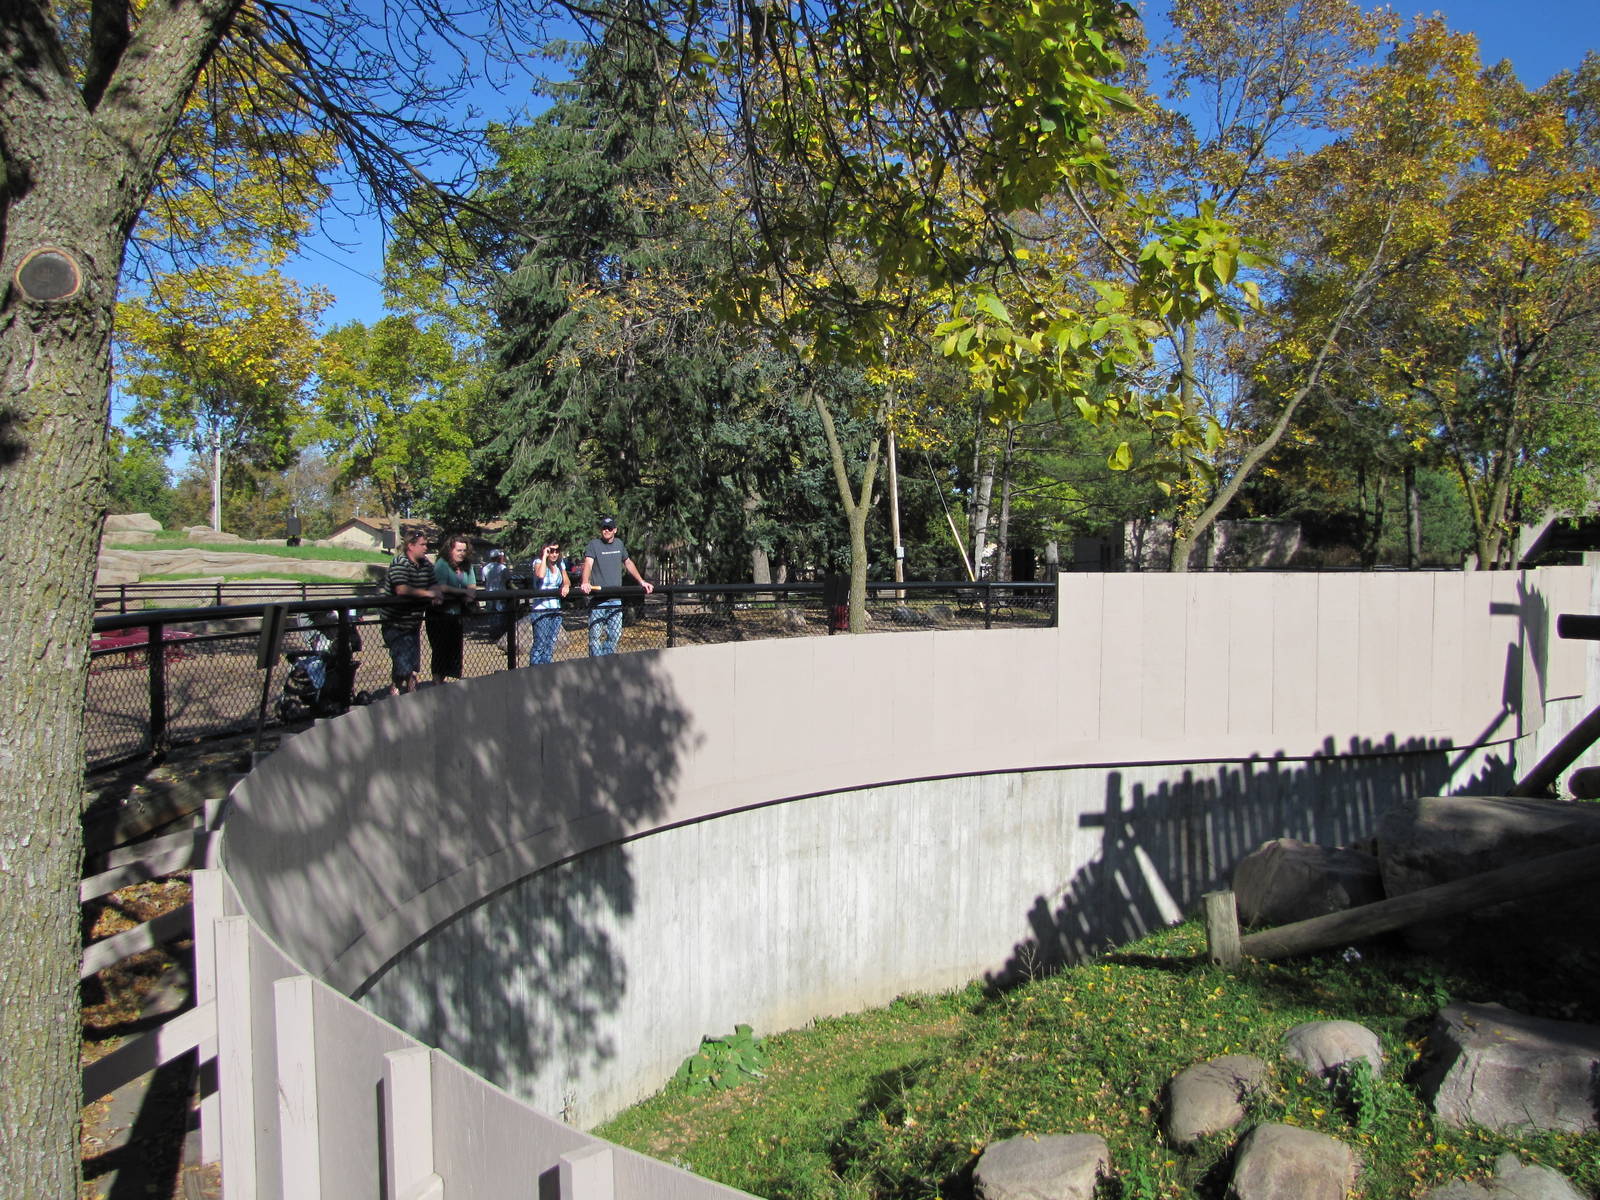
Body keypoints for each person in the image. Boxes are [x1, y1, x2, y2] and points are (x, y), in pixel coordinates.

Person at [580, 516, 653, 656]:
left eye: (609, 528)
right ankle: (596, 663)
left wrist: (641, 581)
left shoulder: (619, 544)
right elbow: (588, 564)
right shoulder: (593, 545)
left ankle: (607, 661)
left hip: (615, 599)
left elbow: (628, 563)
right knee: (594, 636)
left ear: (615, 530)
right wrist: (585, 581)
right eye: (604, 528)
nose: (606, 530)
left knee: (615, 634)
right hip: (598, 600)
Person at [380, 530, 440, 695]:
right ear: (411, 546)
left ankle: (397, 687)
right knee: (403, 659)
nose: (426, 548)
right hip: (395, 621)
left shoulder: (426, 564)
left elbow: (434, 582)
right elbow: (402, 589)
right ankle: (408, 690)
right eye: (422, 544)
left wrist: (435, 593)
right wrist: (428, 594)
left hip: (413, 621)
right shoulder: (400, 562)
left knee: (409, 659)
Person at [426, 533, 478, 684]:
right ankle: (437, 682)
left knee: (453, 650)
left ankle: (445, 680)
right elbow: (440, 586)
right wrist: (463, 592)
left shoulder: (467, 565)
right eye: (458, 550)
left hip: (456, 614)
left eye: (464, 550)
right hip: (439, 614)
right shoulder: (442, 564)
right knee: (440, 650)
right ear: (450, 550)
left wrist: (469, 595)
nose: (462, 553)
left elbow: (472, 584)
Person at [527, 537, 570, 665]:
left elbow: (566, 580)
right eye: (551, 551)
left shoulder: (560, 564)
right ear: (546, 550)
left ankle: (546, 669)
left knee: (550, 644)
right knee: (540, 643)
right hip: (541, 609)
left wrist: (566, 585)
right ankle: (535, 669)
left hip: (555, 609)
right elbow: (540, 575)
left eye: (557, 551)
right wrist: (545, 557)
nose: (554, 554)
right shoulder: (538, 562)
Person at [481, 548, 510, 613]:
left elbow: (484, 581)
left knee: (490, 611)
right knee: (501, 612)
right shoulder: (503, 568)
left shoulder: (485, 568)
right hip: (501, 593)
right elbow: (508, 581)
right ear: (498, 557)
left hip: (489, 594)